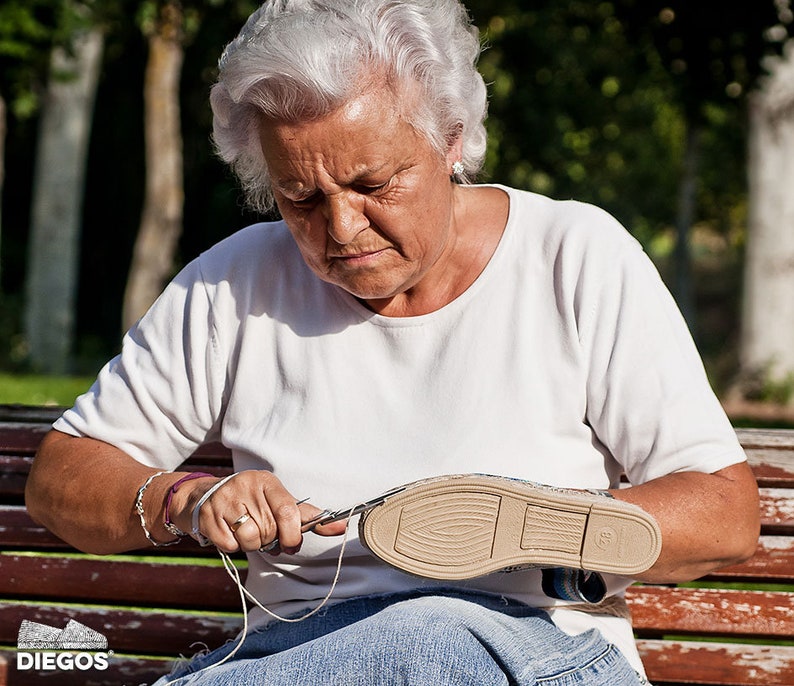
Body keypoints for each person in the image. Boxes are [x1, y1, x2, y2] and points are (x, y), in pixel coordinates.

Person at [25, 0, 760, 684]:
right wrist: (188, 497)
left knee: (428, 636)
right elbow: (62, 479)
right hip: (305, 651)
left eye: (373, 183)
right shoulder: (231, 284)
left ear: (451, 141)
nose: (341, 229)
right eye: (301, 198)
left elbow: (723, 515)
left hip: (536, 646)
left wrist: (542, 527)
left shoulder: (575, 256)